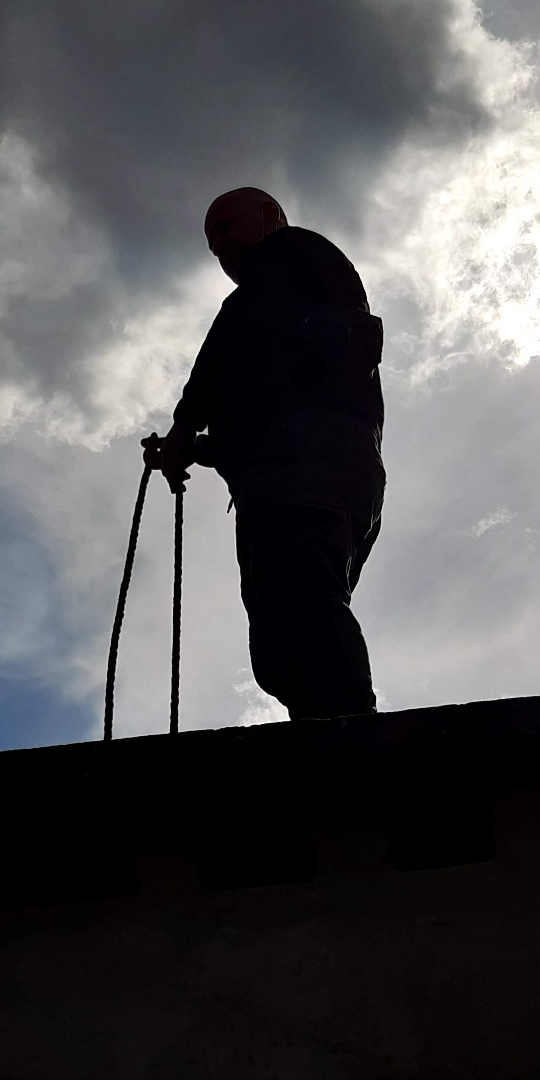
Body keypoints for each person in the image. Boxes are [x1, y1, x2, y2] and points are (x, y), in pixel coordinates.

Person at [144, 187, 385, 719]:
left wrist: (185, 430)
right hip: (319, 468)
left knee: (298, 596)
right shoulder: (293, 308)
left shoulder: (284, 259)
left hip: (307, 464)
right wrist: (202, 449)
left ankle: (352, 739)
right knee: (282, 633)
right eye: (213, 241)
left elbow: (222, 356)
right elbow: (267, 398)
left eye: (228, 227)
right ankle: (323, 727)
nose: (221, 247)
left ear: (272, 218)